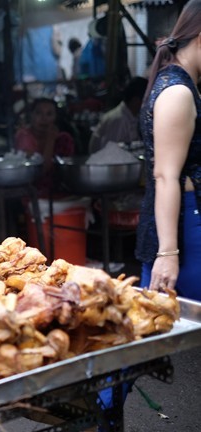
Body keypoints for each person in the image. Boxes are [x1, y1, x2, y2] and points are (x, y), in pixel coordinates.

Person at [135, 0, 201, 300]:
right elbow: (165, 175)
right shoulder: (178, 92)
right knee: (179, 323)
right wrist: (168, 253)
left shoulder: (185, 83)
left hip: (184, 218)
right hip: (185, 226)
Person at [15, 97, 75, 195]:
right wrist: (50, 141)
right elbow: (39, 172)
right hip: (30, 194)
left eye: (49, 114)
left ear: (56, 118)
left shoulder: (64, 139)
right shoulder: (24, 136)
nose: (44, 119)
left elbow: (66, 176)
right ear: (31, 115)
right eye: (38, 113)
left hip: (59, 194)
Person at [88, 76, 148, 153]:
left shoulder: (133, 116)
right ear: (135, 100)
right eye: (146, 100)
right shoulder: (118, 120)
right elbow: (110, 154)